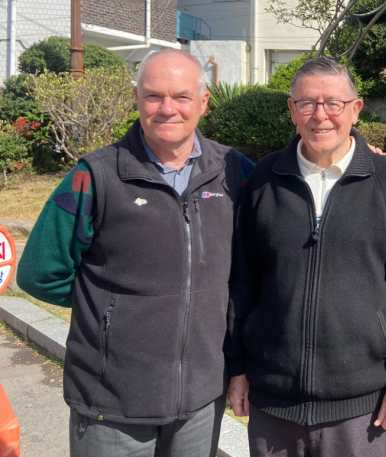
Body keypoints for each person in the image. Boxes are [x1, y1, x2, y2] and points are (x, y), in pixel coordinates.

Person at [17, 49, 254, 457]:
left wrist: (359, 160)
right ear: (136, 98)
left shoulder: (235, 170)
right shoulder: (95, 176)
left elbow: (293, 194)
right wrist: (111, 312)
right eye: (153, 96)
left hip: (200, 398)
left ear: (203, 103)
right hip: (112, 399)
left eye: (181, 96)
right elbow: (40, 271)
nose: (168, 109)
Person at [225, 56, 386, 457]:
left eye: (333, 104)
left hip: (362, 408)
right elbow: (241, 282)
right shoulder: (264, 181)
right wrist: (236, 366)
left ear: (355, 110)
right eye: (307, 103)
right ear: (292, 111)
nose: (320, 115)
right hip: (273, 402)